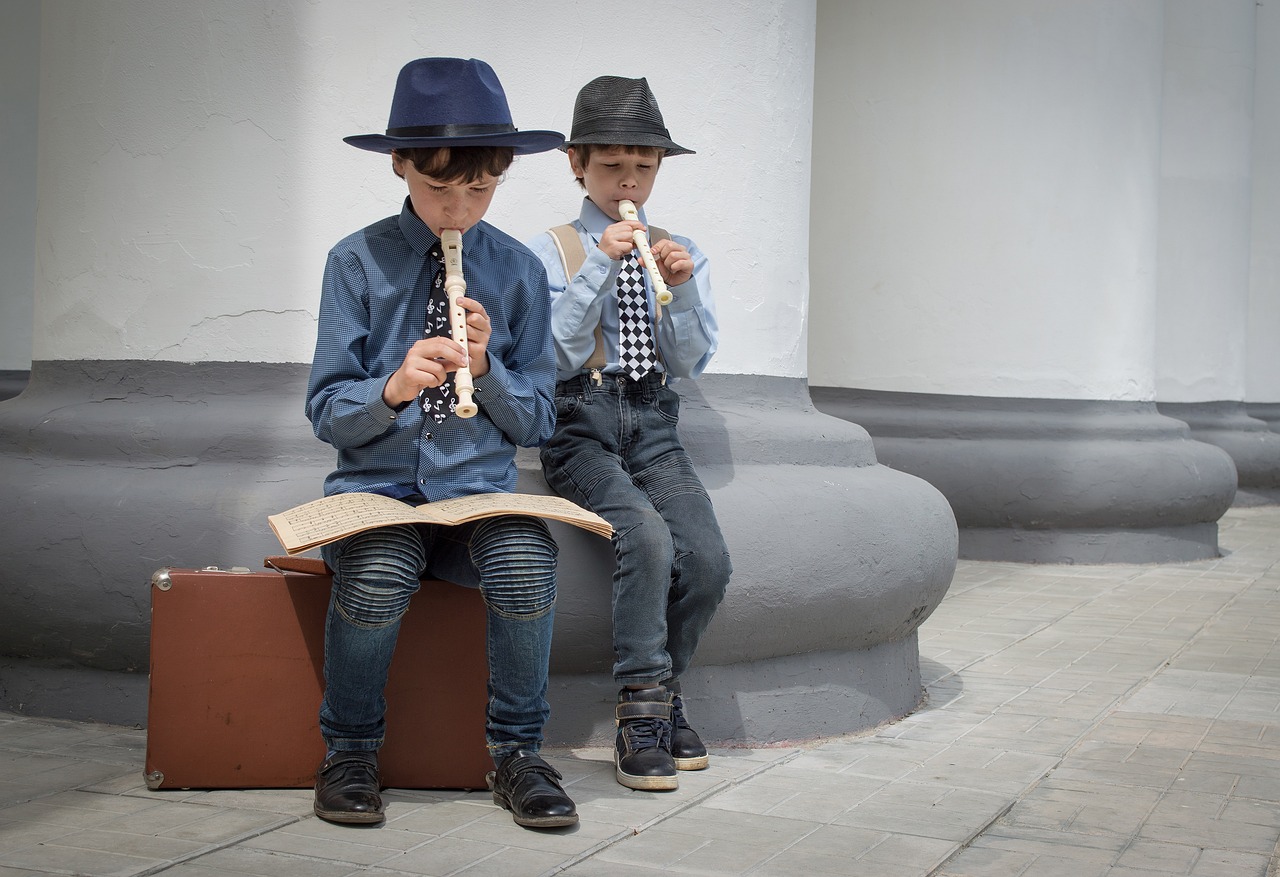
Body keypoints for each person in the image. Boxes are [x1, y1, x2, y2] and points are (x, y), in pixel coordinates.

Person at [305, 57, 577, 829]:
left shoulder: (519, 271)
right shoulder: (354, 262)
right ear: (399, 164)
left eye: (480, 189)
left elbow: (538, 424)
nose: (458, 209)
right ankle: (350, 750)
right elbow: (326, 410)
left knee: (528, 558)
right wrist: (393, 386)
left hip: (475, 498)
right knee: (381, 566)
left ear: (502, 176)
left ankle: (518, 752)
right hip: (377, 493)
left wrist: (486, 370)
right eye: (437, 189)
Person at [527, 76, 732, 792]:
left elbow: (691, 360)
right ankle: (642, 712)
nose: (629, 180)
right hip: (580, 424)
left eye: (643, 166)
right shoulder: (553, 249)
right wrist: (600, 268)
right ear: (577, 164)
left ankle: (664, 697)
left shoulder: (677, 246)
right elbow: (550, 353)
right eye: (612, 165)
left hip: (653, 420)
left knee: (706, 557)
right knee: (643, 537)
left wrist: (686, 287)